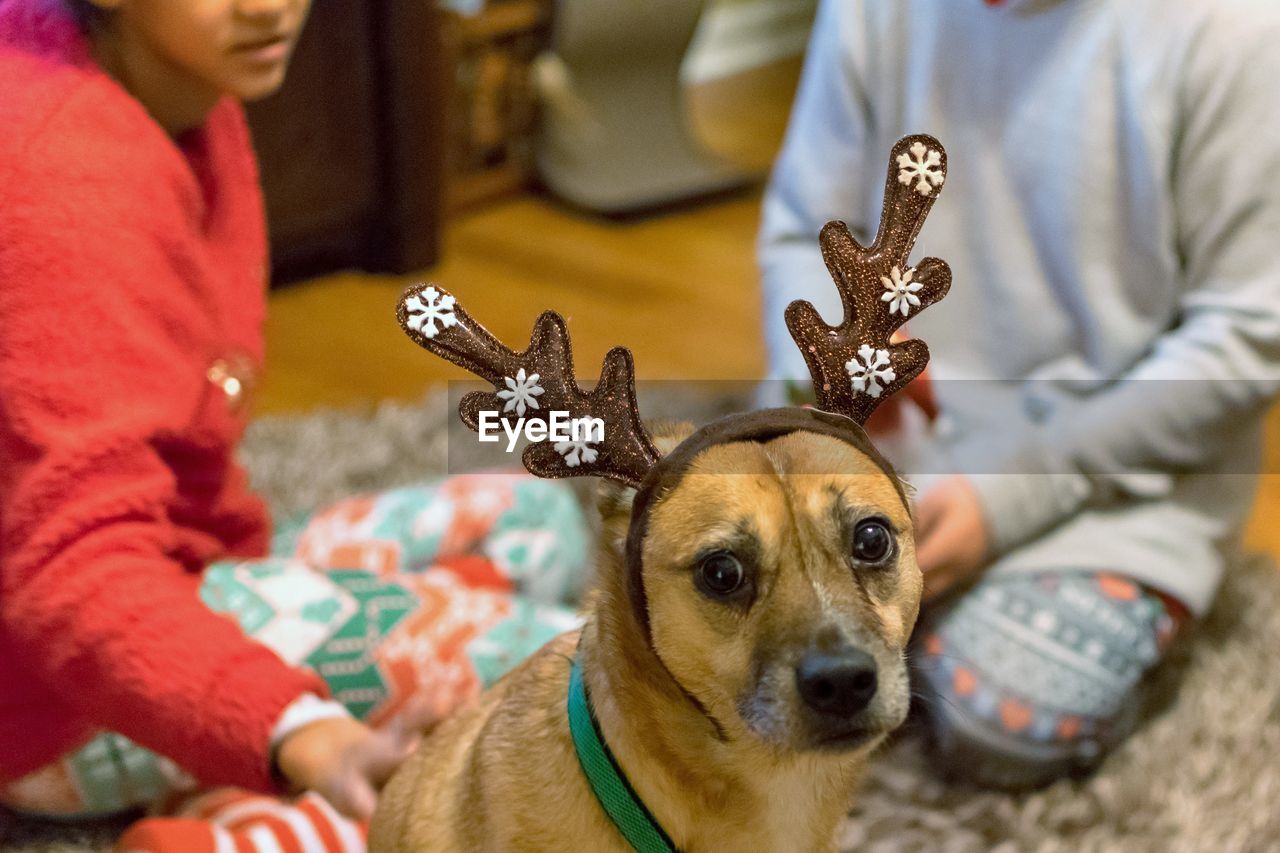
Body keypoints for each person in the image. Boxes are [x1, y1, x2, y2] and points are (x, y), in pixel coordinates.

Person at [0, 1, 590, 850]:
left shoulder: (182, 80)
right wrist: (299, 726)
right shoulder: (63, 172)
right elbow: (70, 574)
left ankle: (253, 791)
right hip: (56, 699)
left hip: (182, 569)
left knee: (539, 523)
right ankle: (287, 804)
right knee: (572, 676)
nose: (268, 4)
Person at [759, 0, 1280, 788]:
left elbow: (1246, 339)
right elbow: (804, 226)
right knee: (674, 590)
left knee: (998, 718)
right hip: (875, 439)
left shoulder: (1235, 32)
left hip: (1119, 480)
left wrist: (1009, 496)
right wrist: (834, 342)